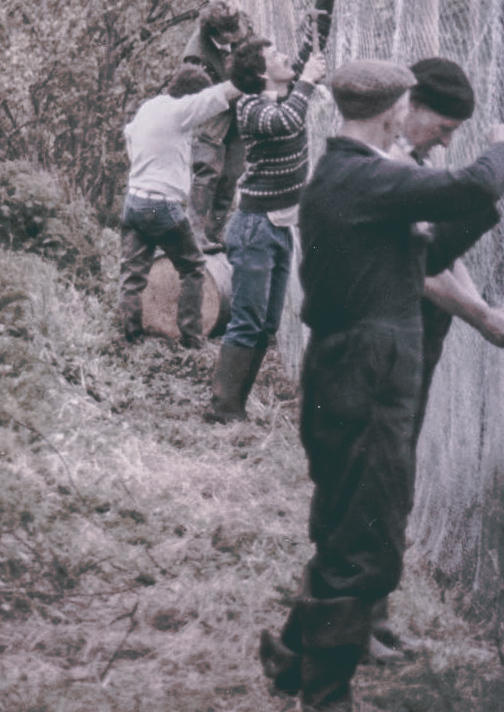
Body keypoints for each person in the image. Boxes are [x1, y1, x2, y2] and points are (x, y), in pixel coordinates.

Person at [257, 59, 504, 712]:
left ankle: (294, 659)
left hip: (359, 370)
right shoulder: (361, 176)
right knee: (366, 541)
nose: (412, 118)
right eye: (409, 105)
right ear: (390, 110)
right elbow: (470, 188)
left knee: (350, 524)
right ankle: (323, 699)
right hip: (366, 376)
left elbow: (423, 255)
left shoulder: (356, 181)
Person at [365, 57, 504, 661]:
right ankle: (351, 624)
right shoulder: (382, 171)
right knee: (376, 481)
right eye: (446, 125)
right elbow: (419, 271)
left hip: (417, 341)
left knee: (393, 477)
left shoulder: (414, 164)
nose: (448, 138)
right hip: (388, 343)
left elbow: (436, 255)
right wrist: (482, 317)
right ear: (409, 105)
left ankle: (372, 616)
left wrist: (482, 304)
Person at [202, 39, 328, 424]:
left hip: (278, 228)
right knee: (247, 321)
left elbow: (311, 42)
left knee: (267, 323)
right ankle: (223, 408)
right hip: (255, 229)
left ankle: (234, 405)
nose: (286, 58)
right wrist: (307, 80)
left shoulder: (286, 92)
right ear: (260, 73)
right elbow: (286, 121)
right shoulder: (251, 107)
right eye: (276, 56)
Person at [182, 0, 334, 253]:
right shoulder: (195, 53)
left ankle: (213, 233)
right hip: (213, 113)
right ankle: (194, 234)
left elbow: (268, 58)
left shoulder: (241, 27)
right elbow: (197, 97)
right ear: (215, 33)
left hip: (243, 99)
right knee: (207, 171)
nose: (237, 36)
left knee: (231, 173)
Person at [118, 65, 242, 348]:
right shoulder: (179, 111)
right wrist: (248, 78)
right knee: (193, 267)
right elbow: (216, 97)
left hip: (135, 201)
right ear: (190, 98)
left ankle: (131, 335)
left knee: (132, 273)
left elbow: (128, 132)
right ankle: (191, 336)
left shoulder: (149, 108)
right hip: (162, 206)